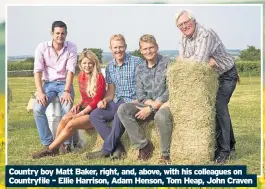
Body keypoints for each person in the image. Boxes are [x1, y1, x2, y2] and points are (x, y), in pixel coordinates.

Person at [175, 9, 238, 164]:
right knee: (217, 108)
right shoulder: (183, 38)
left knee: (219, 107)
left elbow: (197, 61)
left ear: (193, 21)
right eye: (180, 25)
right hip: (212, 77)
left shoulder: (205, 34)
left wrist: (193, 59)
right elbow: (182, 60)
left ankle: (224, 151)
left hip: (227, 74)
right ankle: (230, 144)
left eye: (185, 22)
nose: (184, 27)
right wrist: (192, 59)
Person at [32, 50, 106, 159]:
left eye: (90, 63)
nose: (87, 66)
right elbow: (85, 96)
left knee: (71, 124)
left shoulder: (99, 77)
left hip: (95, 112)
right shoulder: (81, 75)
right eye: (84, 63)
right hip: (84, 108)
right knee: (65, 118)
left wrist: (79, 114)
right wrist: (78, 104)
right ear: (80, 64)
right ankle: (55, 149)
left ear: (95, 63)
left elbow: (95, 101)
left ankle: (50, 150)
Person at [117, 34, 173, 164]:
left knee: (161, 117)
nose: (148, 51)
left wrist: (154, 106)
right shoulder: (139, 68)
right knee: (123, 109)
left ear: (157, 47)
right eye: (145, 49)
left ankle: (165, 155)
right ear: (141, 51)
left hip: (165, 105)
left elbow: (171, 90)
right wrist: (149, 106)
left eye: (151, 48)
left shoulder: (168, 64)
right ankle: (144, 146)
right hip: (147, 104)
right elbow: (140, 94)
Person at [87, 34, 143, 159]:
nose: (118, 50)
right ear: (111, 49)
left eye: (121, 47)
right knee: (95, 115)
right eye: (115, 47)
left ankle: (106, 150)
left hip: (132, 101)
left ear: (125, 47)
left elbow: (143, 85)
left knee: (120, 113)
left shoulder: (137, 62)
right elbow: (111, 91)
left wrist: (139, 99)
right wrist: (105, 100)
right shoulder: (110, 67)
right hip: (117, 100)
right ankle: (118, 147)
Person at [33, 21, 77, 156]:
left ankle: (66, 144)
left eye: (63, 33)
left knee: (67, 109)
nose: (60, 36)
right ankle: (49, 145)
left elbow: (70, 71)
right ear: (52, 33)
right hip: (48, 84)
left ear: (66, 34)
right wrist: (40, 92)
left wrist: (67, 91)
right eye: (57, 33)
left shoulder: (71, 47)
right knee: (37, 109)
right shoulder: (42, 47)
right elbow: (37, 71)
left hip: (65, 83)